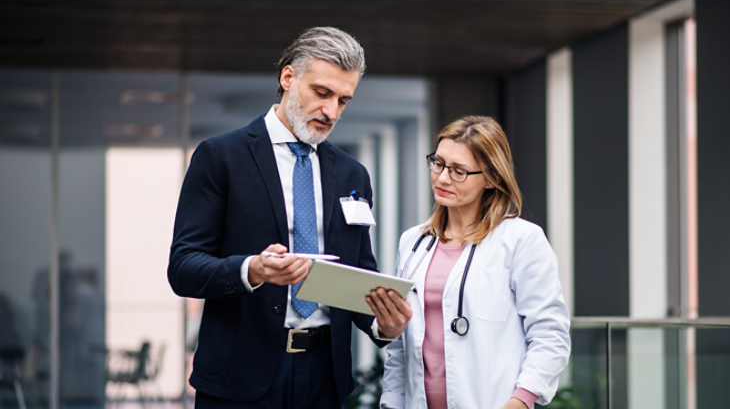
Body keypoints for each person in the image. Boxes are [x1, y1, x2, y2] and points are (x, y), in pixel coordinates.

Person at [168, 27, 412, 409]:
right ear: (287, 78)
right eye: (322, 93)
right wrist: (254, 269)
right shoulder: (221, 157)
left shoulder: (353, 175)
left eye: (343, 100)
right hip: (240, 377)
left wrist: (383, 324)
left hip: (324, 380)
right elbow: (183, 268)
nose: (331, 111)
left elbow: (357, 271)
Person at [378, 116, 571, 409]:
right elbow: (400, 346)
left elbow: (550, 334)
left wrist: (520, 402)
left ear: (492, 178)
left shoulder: (520, 240)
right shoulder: (413, 242)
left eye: (458, 171)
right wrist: (391, 403)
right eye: (439, 163)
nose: (442, 178)